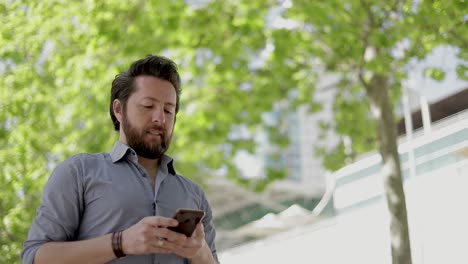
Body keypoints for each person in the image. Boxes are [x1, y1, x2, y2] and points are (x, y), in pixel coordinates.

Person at [22, 55, 219, 264]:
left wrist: (199, 252)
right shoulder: (78, 172)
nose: (159, 118)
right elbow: (36, 257)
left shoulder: (194, 195)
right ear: (118, 110)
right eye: (148, 106)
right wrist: (121, 243)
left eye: (168, 110)